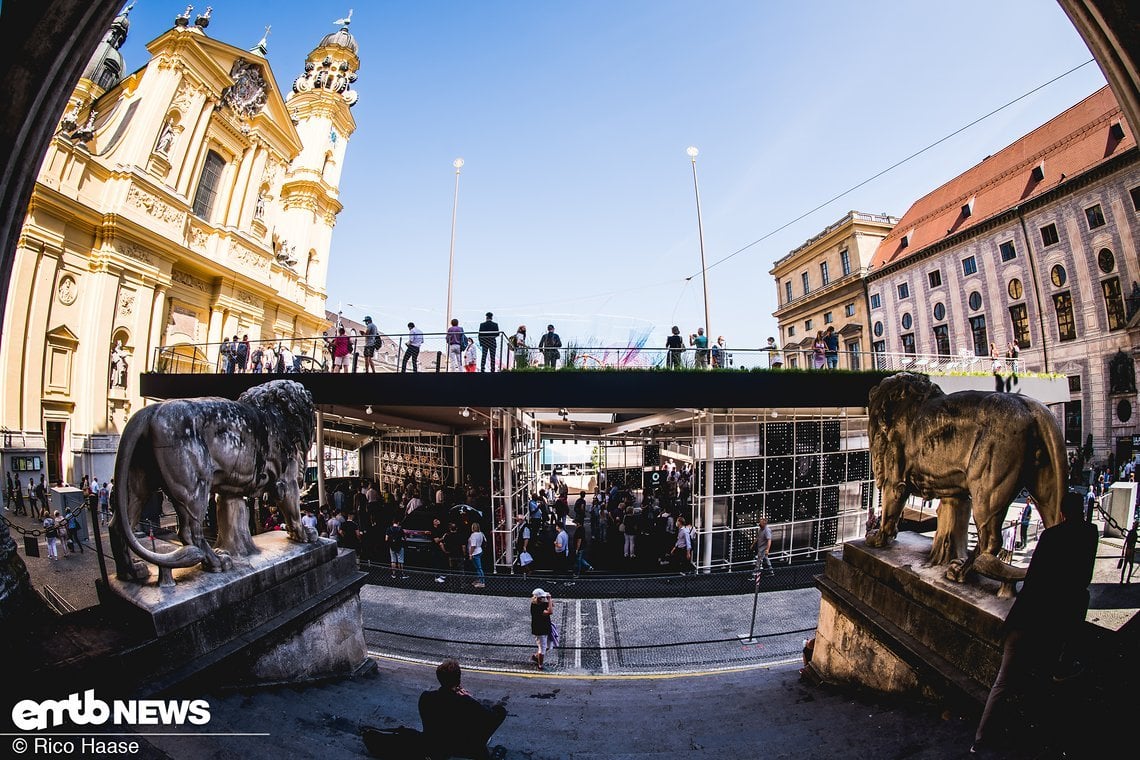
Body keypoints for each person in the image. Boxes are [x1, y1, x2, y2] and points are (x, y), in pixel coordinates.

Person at [972, 491, 1099, 755]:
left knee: (1002, 683)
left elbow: (1034, 578)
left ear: (1061, 513)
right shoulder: (1089, 533)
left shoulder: (1050, 537)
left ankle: (980, 740)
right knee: (1039, 683)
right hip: (1049, 625)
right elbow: (1083, 578)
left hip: (1024, 619)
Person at [418, 659, 507, 760]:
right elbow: (490, 716)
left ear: (439, 678)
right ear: (459, 680)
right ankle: (480, 743)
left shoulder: (425, 697)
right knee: (500, 711)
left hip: (434, 741)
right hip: (464, 747)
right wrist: (469, 698)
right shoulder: (466, 702)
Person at [529, 588, 553, 670]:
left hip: (546, 627)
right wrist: (549, 599)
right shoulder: (535, 607)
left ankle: (536, 656)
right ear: (538, 598)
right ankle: (540, 665)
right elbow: (550, 611)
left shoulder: (541, 603)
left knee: (548, 646)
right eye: (542, 597)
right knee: (542, 648)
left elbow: (552, 605)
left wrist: (548, 599)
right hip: (540, 630)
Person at [467, 521, 486, 588]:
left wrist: (470, 554)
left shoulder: (473, 535)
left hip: (475, 552)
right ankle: (479, 579)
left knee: (479, 568)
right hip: (479, 550)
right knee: (478, 567)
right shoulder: (481, 533)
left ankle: (482, 582)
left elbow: (473, 546)